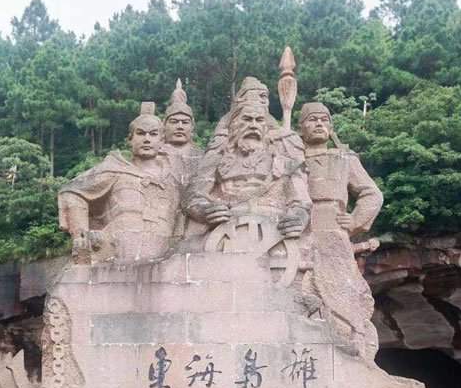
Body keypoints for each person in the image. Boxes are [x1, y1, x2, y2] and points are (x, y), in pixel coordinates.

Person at [298, 101, 383, 359]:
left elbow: (372, 194)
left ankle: (353, 343)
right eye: (312, 119)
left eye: (324, 119)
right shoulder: (291, 157)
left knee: (342, 289)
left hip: (333, 228)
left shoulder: (344, 158)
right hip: (298, 228)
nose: (319, 124)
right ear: (301, 128)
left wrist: (355, 220)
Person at [58, 102, 182, 262]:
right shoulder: (115, 168)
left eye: (153, 134)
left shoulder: (174, 182)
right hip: (115, 252)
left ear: (162, 140)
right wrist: (80, 232)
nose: (147, 139)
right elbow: (71, 192)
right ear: (130, 140)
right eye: (141, 133)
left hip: (162, 258)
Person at [185, 92, 310, 240]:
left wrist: (298, 220)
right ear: (234, 124)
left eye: (259, 120)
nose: (253, 125)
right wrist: (206, 212)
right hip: (225, 232)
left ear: (265, 127)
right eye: (247, 119)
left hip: (274, 233)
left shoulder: (285, 163)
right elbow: (194, 198)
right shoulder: (217, 160)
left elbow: (302, 204)